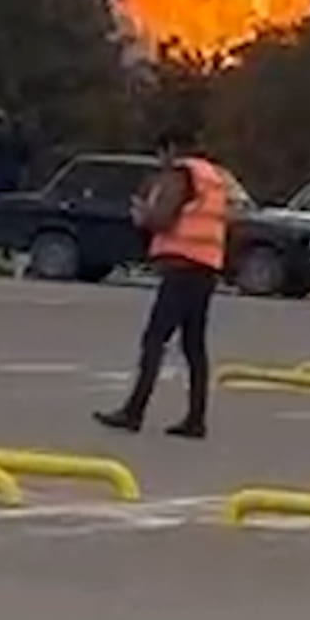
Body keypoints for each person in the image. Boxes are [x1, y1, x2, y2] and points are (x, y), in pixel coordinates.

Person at [94, 121, 227, 440]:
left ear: (171, 149)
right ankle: (196, 418)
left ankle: (134, 411)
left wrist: (143, 216)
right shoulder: (214, 177)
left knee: (155, 339)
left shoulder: (180, 175)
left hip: (181, 267)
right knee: (194, 346)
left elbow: (163, 218)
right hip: (206, 267)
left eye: (161, 154)